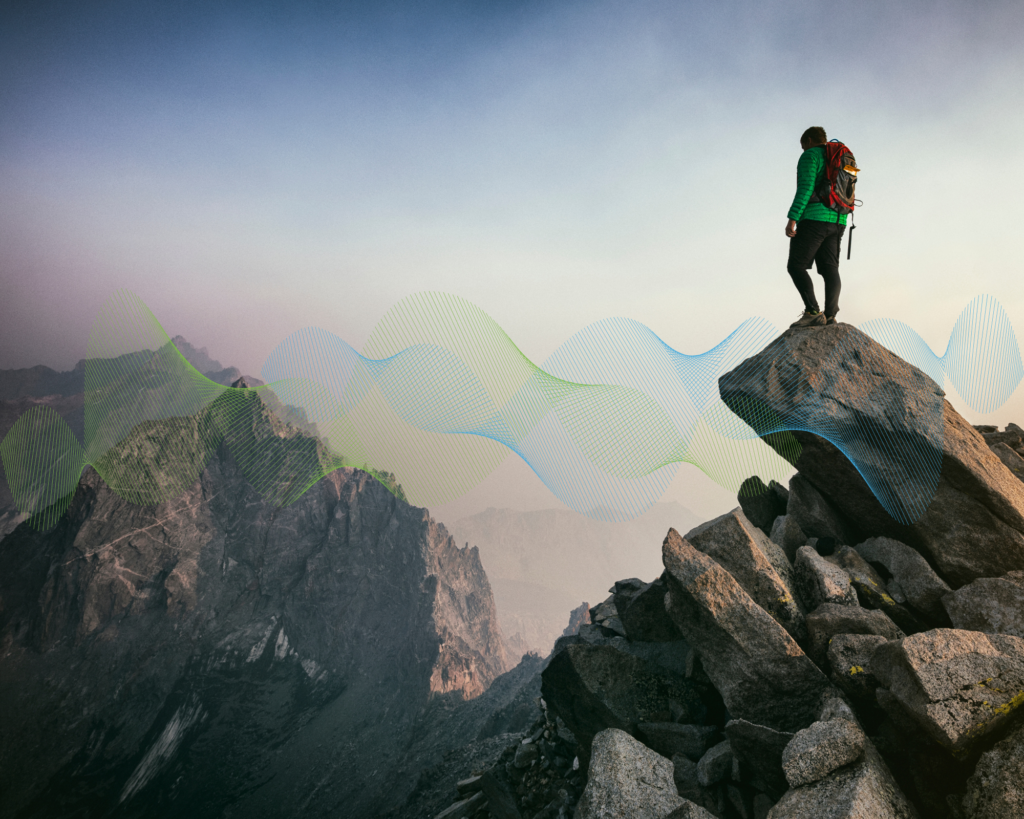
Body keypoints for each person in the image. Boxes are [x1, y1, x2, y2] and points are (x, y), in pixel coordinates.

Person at [785, 126, 848, 329]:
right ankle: (830, 316)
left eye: (803, 145)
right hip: (839, 219)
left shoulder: (810, 156)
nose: (802, 149)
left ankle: (813, 312)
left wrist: (793, 218)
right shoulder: (840, 157)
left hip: (814, 219)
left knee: (796, 265)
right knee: (830, 268)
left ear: (809, 140)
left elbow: (805, 188)